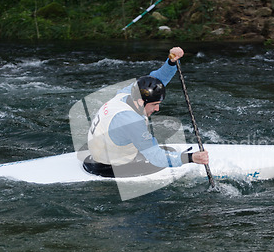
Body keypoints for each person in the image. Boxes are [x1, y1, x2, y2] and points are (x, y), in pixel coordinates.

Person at [84, 47, 209, 177]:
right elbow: (156, 158)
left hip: (98, 156)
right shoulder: (131, 122)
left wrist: (171, 62)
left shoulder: (125, 94)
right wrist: (191, 158)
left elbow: (155, 80)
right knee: (161, 155)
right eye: (154, 104)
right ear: (140, 102)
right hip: (113, 166)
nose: (157, 109)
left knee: (161, 148)